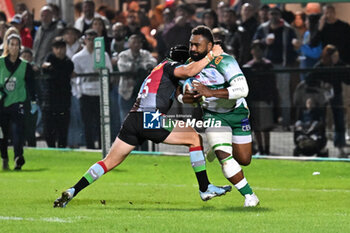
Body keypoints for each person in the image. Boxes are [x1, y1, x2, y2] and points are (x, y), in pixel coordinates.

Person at [53, 44, 231, 208]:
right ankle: (205, 188)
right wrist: (210, 56)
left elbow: (178, 96)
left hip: (133, 119)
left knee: (108, 162)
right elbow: (189, 71)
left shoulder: (159, 70)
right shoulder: (171, 66)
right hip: (150, 118)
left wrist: (191, 97)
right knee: (194, 138)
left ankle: (73, 190)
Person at [180, 26, 259, 207]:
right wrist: (186, 96)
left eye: (197, 45)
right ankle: (250, 196)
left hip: (237, 112)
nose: (192, 49)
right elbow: (180, 91)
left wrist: (210, 92)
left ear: (209, 46)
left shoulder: (225, 61)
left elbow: (243, 89)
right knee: (226, 158)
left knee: (244, 160)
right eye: (191, 44)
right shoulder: (188, 64)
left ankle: (219, 146)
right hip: (213, 115)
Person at [72, 29, 112, 149]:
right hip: (85, 93)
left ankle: (102, 146)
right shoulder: (77, 58)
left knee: (102, 122)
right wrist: (78, 93)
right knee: (87, 123)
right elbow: (74, 79)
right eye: (89, 39)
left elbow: (109, 71)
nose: (91, 42)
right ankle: (90, 147)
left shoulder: (103, 55)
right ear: (85, 40)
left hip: (100, 93)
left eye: (94, 40)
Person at [0, 34, 36, 170]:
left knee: (17, 132)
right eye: (12, 44)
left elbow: (31, 84)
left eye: (17, 44)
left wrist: (33, 101)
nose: (14, 47)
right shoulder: (0, 63)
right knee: (2, 136)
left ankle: (18, 157)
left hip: (17, 103)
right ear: (7, 46)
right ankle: (4, 157)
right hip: (2, 104)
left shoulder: (25, 66)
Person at [307, 45, 350, 157]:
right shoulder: (320, 66)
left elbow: (347, 80)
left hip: (336, 94)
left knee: (339, 119)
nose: (336, 58)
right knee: (321, 121)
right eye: (334, 56)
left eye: (337, 56)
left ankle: (340, 146)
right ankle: (320, 146)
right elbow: (309, 80)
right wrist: (321, 85)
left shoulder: (340, 65)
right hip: (322, 96)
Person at [244, 40, 278, 155]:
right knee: (256, 126)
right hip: (253, 99)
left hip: (265, 99)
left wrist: (272, 98)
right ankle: (261, 149)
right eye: (255, 49)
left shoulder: (268, 65)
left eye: (260, 49)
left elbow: (272, 84)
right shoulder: (248, 66)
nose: (257, 51)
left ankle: (267, 149)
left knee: (266, 126)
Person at [41, 37, 74, 148]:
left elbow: (61, 73)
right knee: (48, 132)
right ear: (53, 49)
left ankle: (62, 150)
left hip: (63, 103)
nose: (60, 50)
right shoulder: (50, 58)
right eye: (57, 48)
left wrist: (52, 68)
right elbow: (44, 68)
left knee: (62, 132)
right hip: (49, 102)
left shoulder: (68, 62)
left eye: (62, 47)